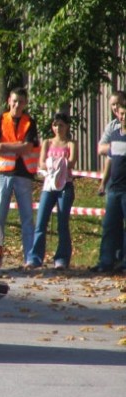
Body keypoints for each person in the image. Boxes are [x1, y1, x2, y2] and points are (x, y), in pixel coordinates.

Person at [0, 87, 40, 267]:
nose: (17, 105)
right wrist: (17, 146)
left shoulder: (29, 122)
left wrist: (4, 146)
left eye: (21, 102)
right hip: (2, 174)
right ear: (9, 101)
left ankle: (30, 258)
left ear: (25, 103)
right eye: (14, 101)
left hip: (23, 174)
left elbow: (27, 148)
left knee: (27, 218)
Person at [26, 112, 77, 269]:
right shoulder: (47, 143)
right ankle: (35, 257)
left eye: (61, 125)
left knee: (62, 223)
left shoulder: (70, 144)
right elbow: (41, 163)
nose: (58, 128)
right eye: (55, 125)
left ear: (67, 126)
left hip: (65, 186)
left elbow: (71, 162)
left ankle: (61, 258)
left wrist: (57, 163)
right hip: (49, 186)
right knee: (41, 222)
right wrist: (53, 164)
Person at [91, 100, 126, 273]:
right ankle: (105, 262)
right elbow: (109, 162)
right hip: (114, 189)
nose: (123, 116)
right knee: (109, 226)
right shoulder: (114, 135)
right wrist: (103, 183)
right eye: (121, 114)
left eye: (125, 113)